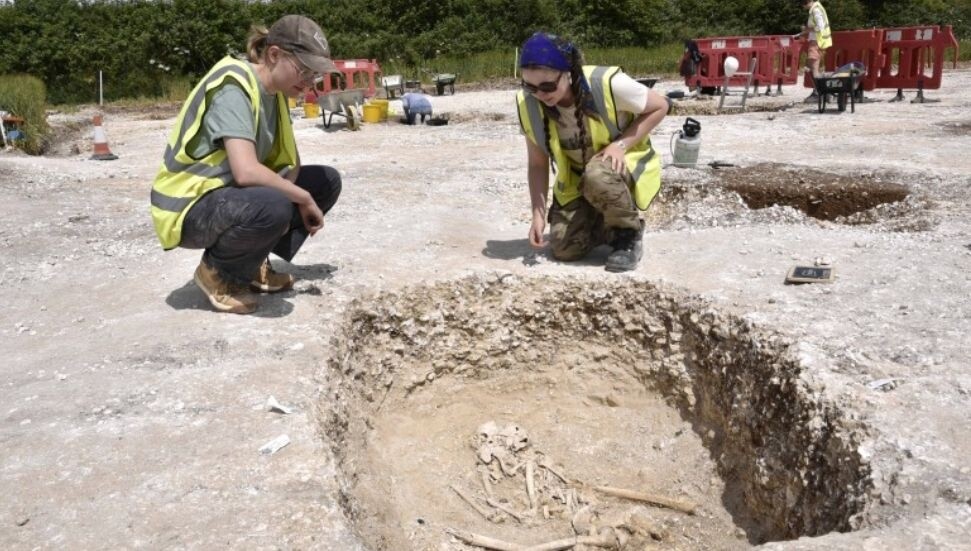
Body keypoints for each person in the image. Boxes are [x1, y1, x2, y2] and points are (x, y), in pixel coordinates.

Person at [150, 15, 342, 314]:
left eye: (314, 74)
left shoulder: (274, 93)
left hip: (228, 196)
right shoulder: (235, 85)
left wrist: (300, 193)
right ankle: (217, 275)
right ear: (274, 54)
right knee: (278, 203)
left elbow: (289, 163)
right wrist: (300, 199)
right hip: (187, 207)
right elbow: (246, 171)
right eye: (303, 70)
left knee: (325, 182)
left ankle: (252, 265)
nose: (309, 83)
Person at [516, 32, 668, 272]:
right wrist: (537, 214)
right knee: (564, 248)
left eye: (547, 86)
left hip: (617, 169)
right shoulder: (529, 105)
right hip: (580, 180)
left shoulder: (605, 83)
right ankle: (605, 226)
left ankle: (627, 235)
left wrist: (620, 145)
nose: (539, 95)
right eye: (530, 86)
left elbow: (660, 106)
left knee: (597, 173)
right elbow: (537, 163)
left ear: (568, 72)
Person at [794, 0, 832, 102]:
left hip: (816, 42)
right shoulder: (817, 8)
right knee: (814, 67)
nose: (803, 7)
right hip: (818, 41)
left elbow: (820, 27)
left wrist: (807, 29)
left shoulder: (815, 10)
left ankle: (819, 93)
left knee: (814, 68)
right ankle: (824, 92)